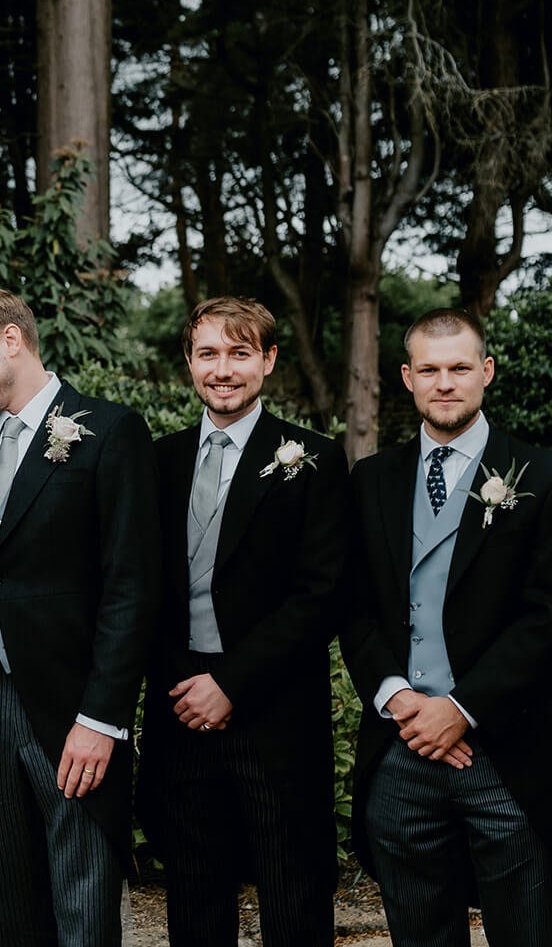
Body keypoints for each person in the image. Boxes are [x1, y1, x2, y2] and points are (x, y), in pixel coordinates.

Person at [341, 308, 552, 947]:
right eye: (430, 369)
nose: (445, 382)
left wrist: (461, 707)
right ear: (407, 377)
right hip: (400, 752)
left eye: (460, 368)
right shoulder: (371, 479)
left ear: (486, 372)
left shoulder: (548, 476)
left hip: (504, 754)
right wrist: (397, 697)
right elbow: (353, 605)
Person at [0, 286, 161, 947]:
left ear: (11, 340)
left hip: (72, 713)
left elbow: (132, 587)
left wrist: (102, 717)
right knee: (15, 912)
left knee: (84, 916)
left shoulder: (111, 430)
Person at [136, 297, 349, 946]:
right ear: (189, 363)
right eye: (208, 354)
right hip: (181, 717)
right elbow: (141, 587)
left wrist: (230, 682)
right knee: (195, 907)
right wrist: (186, 682)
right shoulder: (158, 461)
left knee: (294, 901)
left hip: (274, 717)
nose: (222, 369)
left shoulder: (312, 457)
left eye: (239, 352)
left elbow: (322, 594)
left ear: (268, 359)